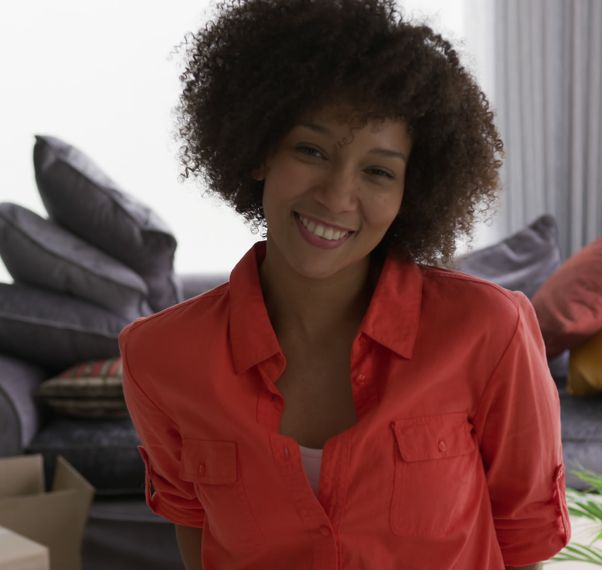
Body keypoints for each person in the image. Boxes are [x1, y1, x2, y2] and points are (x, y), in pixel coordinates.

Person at [120, 0, 570, 568]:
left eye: (378, 171)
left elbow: (524, 534)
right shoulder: (159, 356)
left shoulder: (490, 330)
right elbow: (192, 524)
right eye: (310, 151)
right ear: (260, 150)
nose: (336, 196)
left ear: (413, 191)